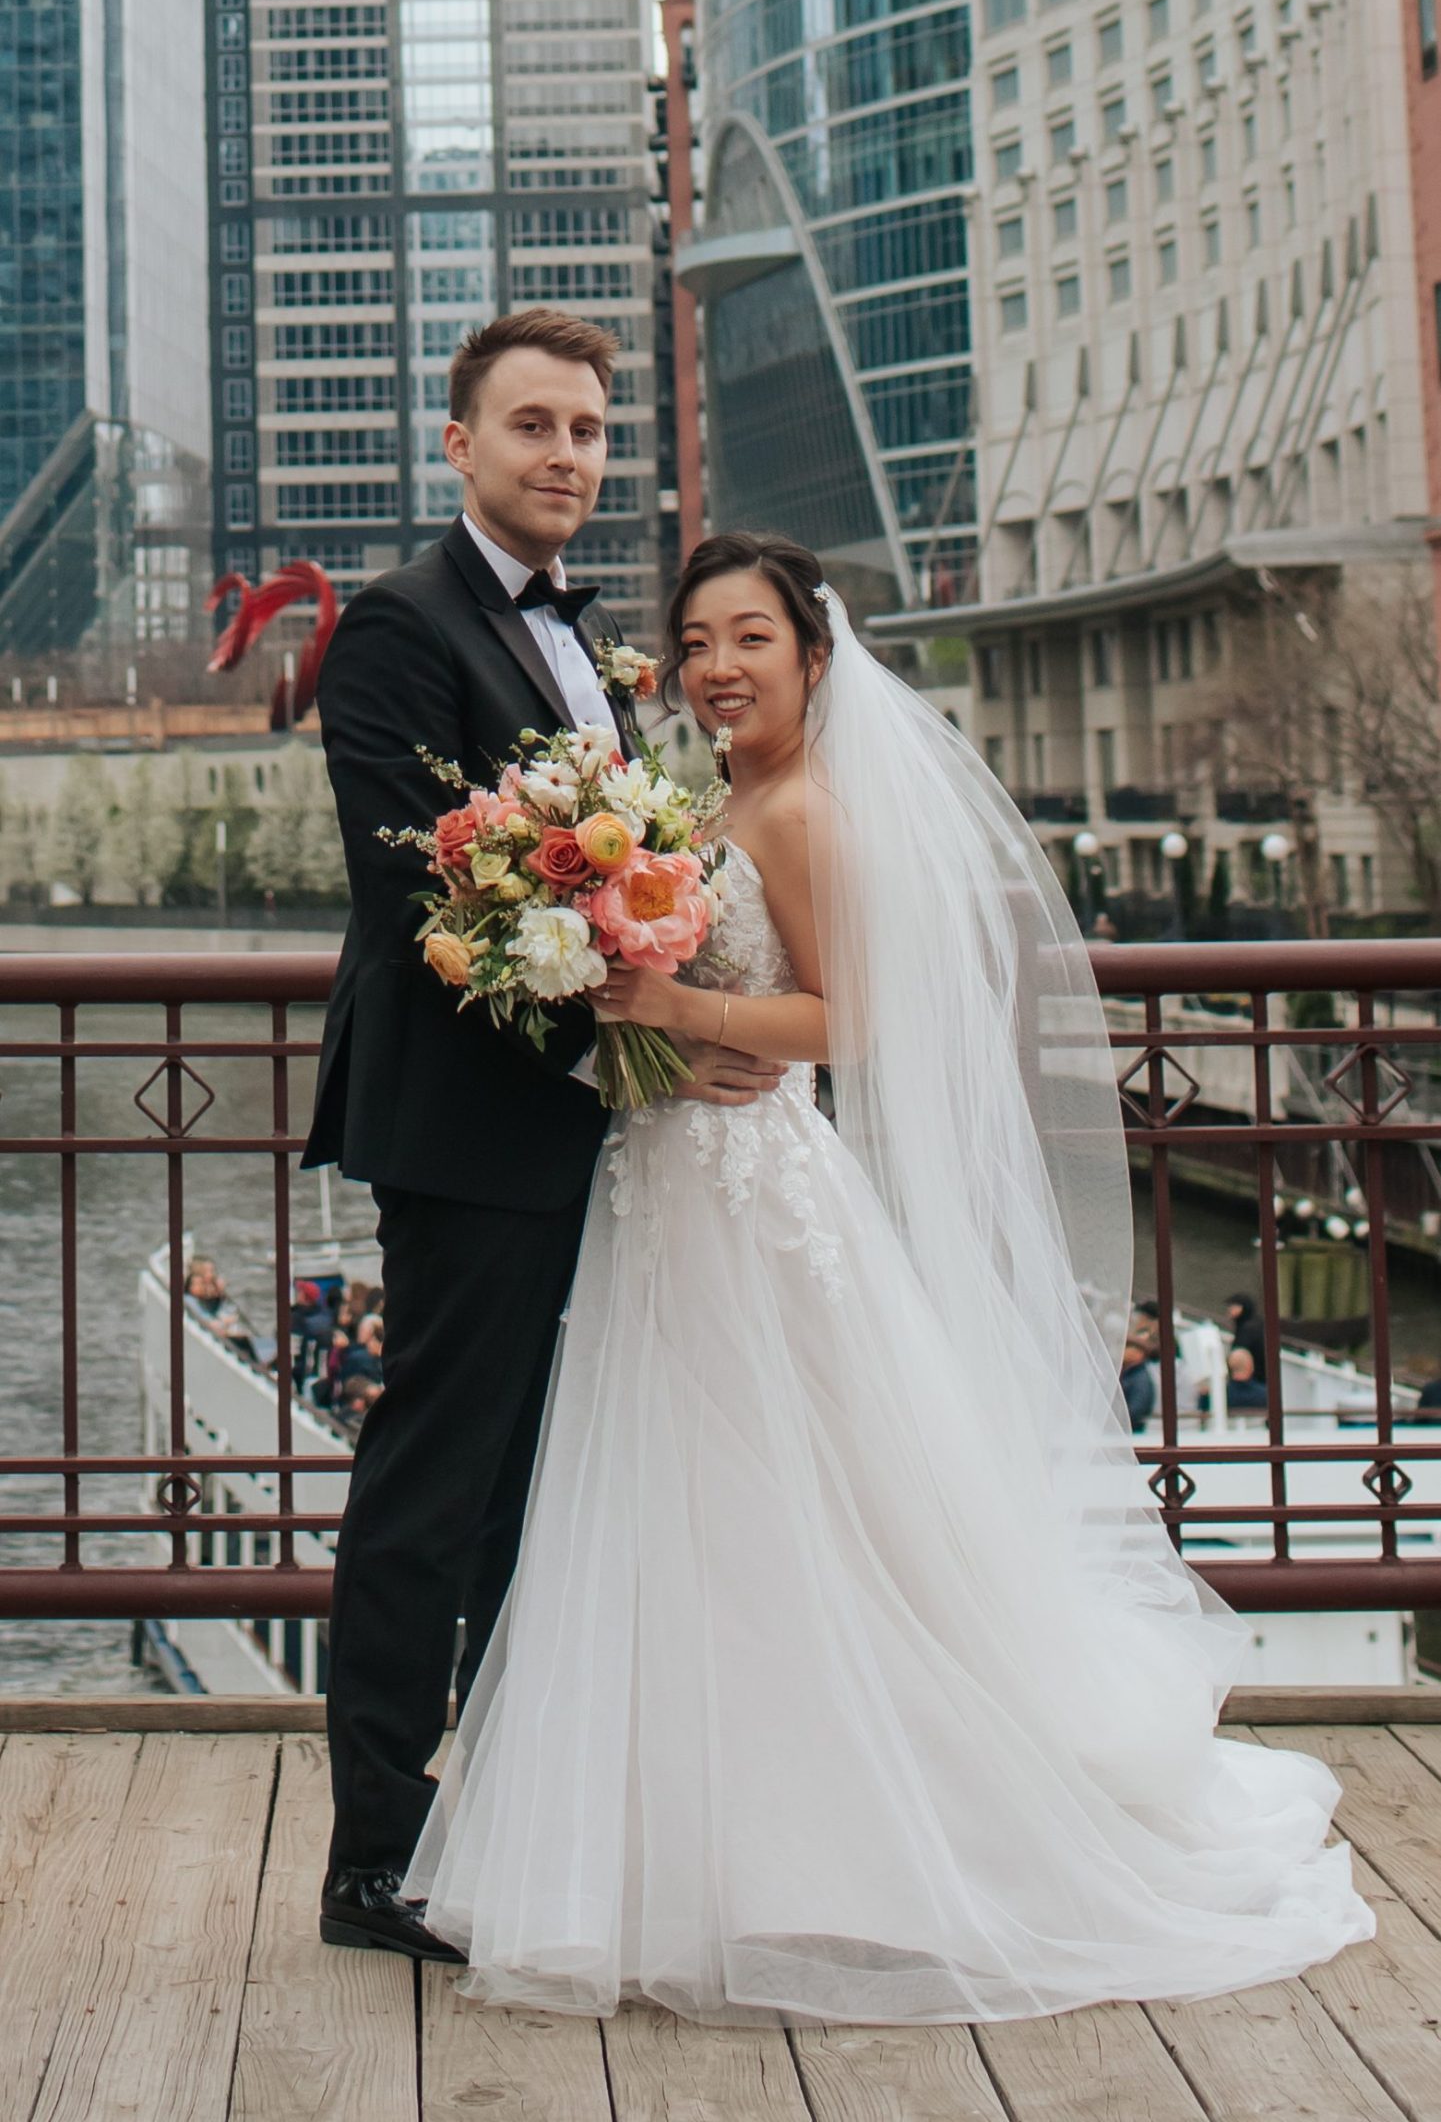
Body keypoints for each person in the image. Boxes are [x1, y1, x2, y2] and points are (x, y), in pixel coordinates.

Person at [406, 530, 1373, 2021]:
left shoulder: (806, 814)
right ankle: (705, 1855)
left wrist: (667, 1001)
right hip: (663, 1182)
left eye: (753, 641)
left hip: (756, 1198)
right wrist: (621, 1002)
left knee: (794, 1509)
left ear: (811, 654)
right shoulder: (705, 806)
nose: (722, 668)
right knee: (681, 1503)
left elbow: (849, 1022)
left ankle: (850, 1852)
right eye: (700, 643)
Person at [304, 311, 779, 1962]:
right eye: (532, 427)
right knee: (433, 1490)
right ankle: (372, 1858)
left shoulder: (591, 643)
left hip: (592, 1130)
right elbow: (421, 886)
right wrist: (643, 1019)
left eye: (587, 429)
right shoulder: (393, 626)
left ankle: (510, 1829)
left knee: (541, 1496)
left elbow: (614, 870)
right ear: (460, 444)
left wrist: (686, 1005)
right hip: (468, 1130)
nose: (567, 454)